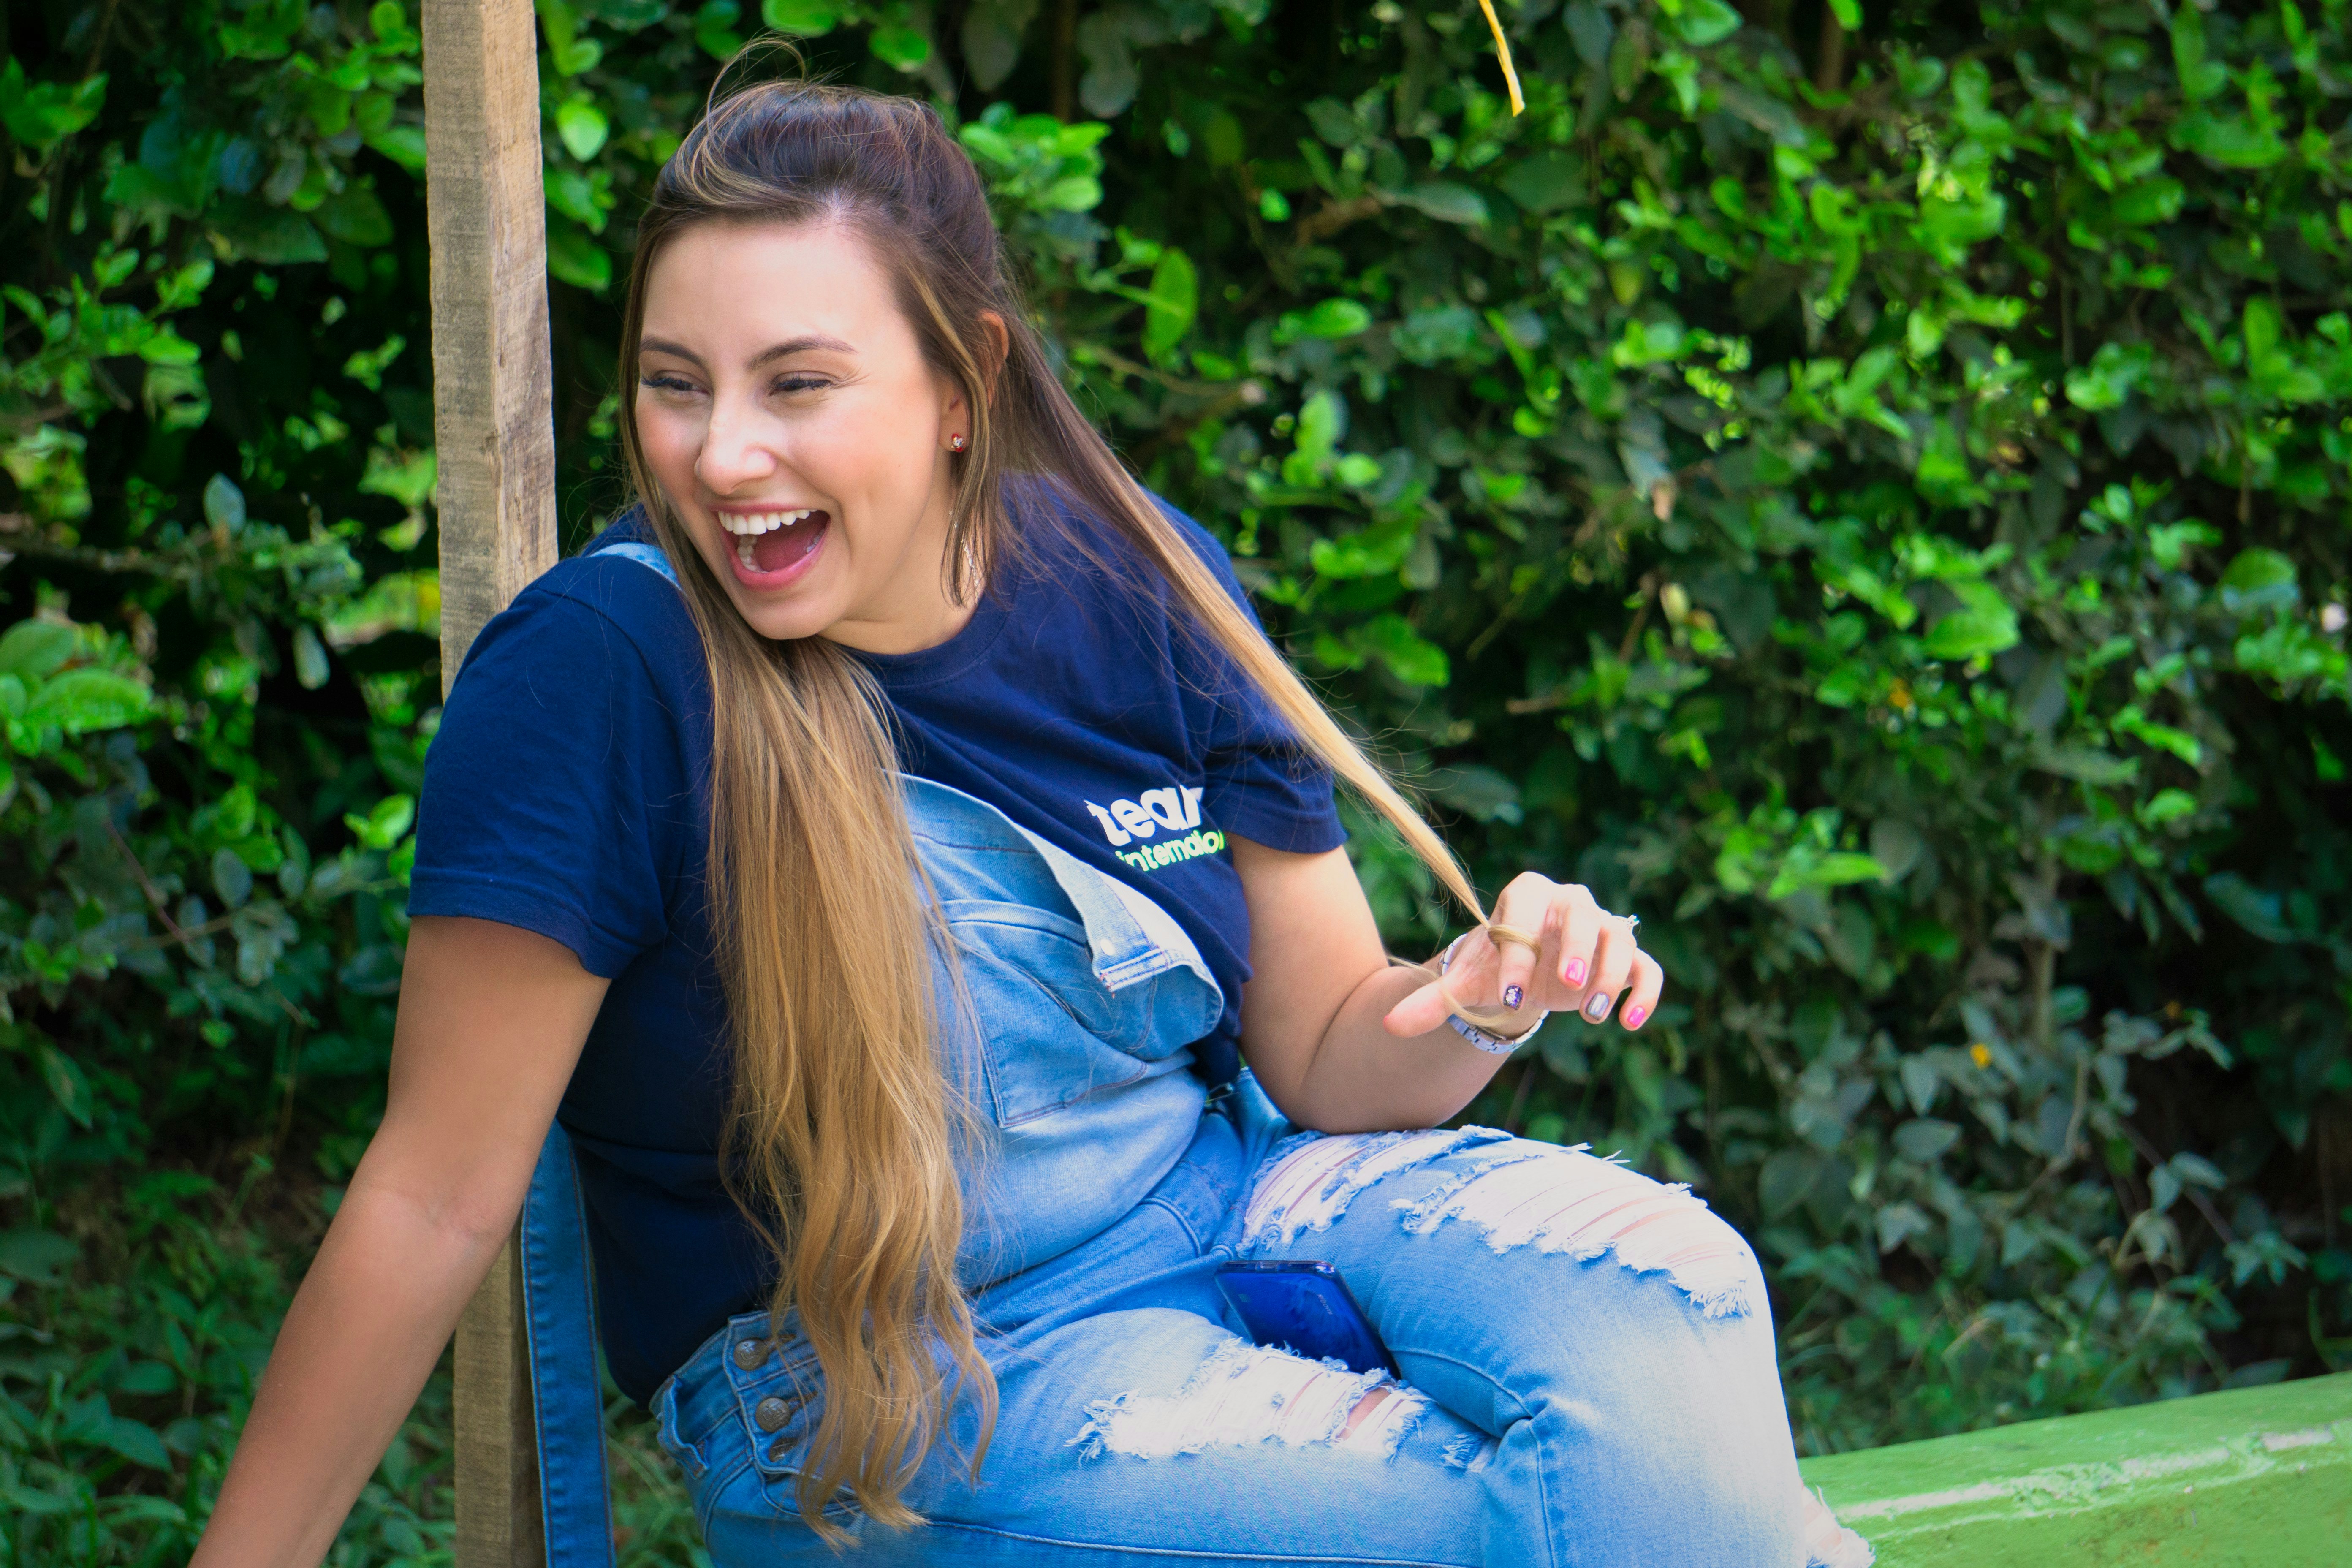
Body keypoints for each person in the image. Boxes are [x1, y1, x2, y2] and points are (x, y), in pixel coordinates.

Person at [190, 79, 1869, 1568]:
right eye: (674, 384)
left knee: (1689, 1293)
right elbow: (431, 1196)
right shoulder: (603, 674)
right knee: (1495, 1524)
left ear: (958, 378)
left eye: (797, 382)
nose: (721, 453)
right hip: (880, 1376)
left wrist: (1486, 989)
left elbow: (1335, 1057)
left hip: (1230, 1210)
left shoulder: (1141, 578)